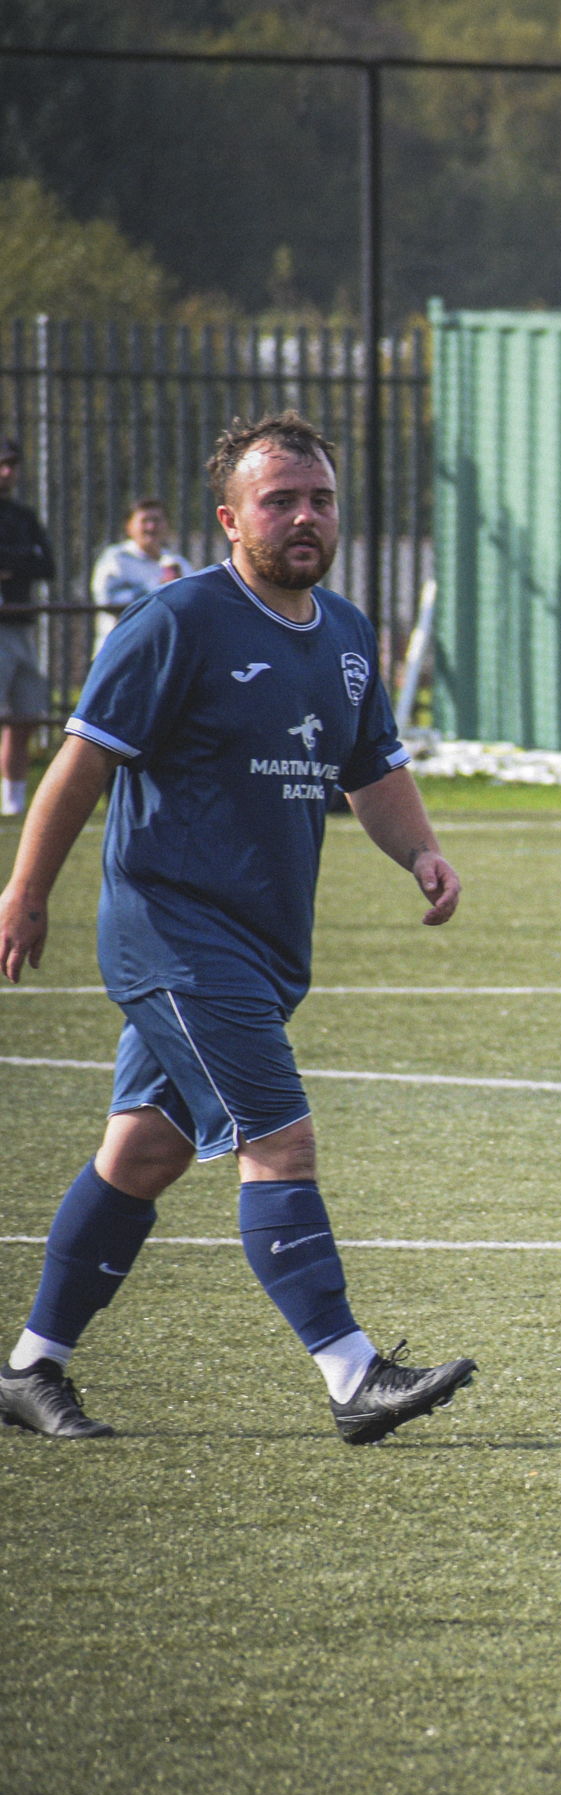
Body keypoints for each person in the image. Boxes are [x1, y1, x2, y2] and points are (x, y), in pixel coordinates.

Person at [0, 411, 478, 1443]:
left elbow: (373, 768)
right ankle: (352, 1374)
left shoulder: (345, 632)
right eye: (280, 501)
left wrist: (421, 853)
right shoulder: (176, 621)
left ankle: (30, 1367)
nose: (305, 517)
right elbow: (81, 763)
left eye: (321, 500)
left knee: (141, 1155)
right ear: (229, 519)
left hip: (263, 946)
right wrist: (26, 890)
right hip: (172, 933)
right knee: (280, 1138)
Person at [0, 436, 55, 817]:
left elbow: (47, 565)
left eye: (13, 465)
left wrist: (11, 563)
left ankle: (13, 803)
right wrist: (22, 558)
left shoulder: (23, 515)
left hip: (22, 626)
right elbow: (31, 559)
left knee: (26, 716)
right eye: (2, 464)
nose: (8, 472)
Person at [89, 498, 194, 652]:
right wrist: (156, 586)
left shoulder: (177, 563)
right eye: (144, 521)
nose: (151, 527)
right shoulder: (116, 559)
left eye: (157, 520)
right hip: (122, 651)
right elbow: (107, 601)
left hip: (163, 653)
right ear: (129, 527)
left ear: (167, 525)